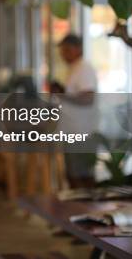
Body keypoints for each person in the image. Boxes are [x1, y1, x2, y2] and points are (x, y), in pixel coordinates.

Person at [51, 33, 98, 188]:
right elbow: (75, 95)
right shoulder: (75, 68)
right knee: (73, 175)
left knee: (82, 178)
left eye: (66, 50)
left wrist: (62, 95)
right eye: (62, 51)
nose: (63, 54)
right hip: (72, 131)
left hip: (82, 132)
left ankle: (86, 210)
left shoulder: (84, 68)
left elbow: (87, 98)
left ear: (77, 49)